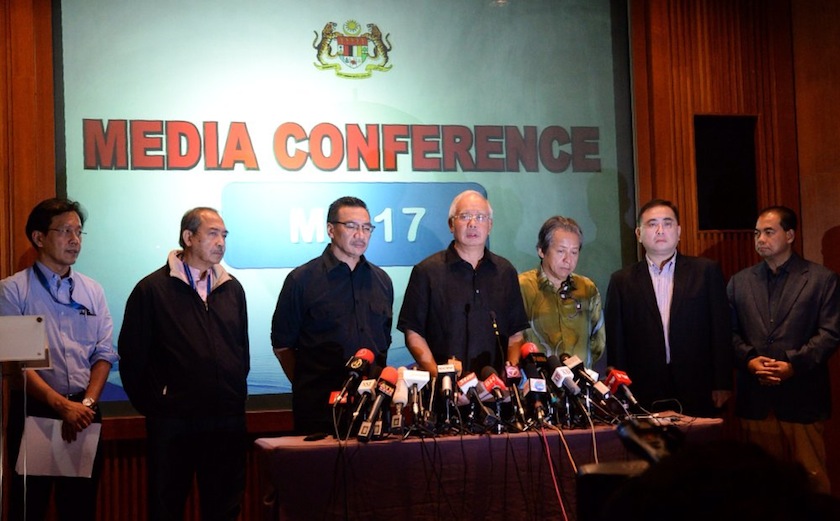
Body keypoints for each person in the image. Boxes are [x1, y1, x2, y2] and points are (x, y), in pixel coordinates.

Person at [118, 207, 249, 520]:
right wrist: (160, 405)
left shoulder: (232, 287)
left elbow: (240, 351)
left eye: (224, 235)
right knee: (167, 506)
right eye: (212, 234)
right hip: (173, 423)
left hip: (226, 420)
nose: (221, 242)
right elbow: (132, 356)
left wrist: (233, 394)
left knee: (225, 508)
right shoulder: (152, 289)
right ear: (188, 237)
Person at [0, 198, 118, 520]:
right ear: (39, 237)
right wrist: (61, 405)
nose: (74, 240)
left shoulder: (93, 290)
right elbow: (18, 365)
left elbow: (104, 353)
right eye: (65, 231)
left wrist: (86, 403)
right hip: (35, 411)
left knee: (80, 508)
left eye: (79, 232)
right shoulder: (13, 290)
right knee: (29, 508)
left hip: (84, 412)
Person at [727, 205, 840, 494]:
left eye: (768, 232)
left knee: (812, 482)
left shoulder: (821, 279)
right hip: (755, 399)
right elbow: (728, 334)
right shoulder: (739, 282)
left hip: (802, 396)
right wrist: (749, 360)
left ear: (790, 235)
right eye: (756, 233)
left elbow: (830, 334)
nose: (760, 239)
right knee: (758, 486)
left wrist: (792, 364)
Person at [271, 196, 393, 435]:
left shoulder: (382, 281)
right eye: (351, 226)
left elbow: (383, 341)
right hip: (319, 410)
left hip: (372, 407)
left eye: (366, 228)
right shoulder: (302, 280)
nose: (360, 235)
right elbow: (282, 345)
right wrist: (308, 386)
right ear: (330, 229)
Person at [605, 199, 731, 417]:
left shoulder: (705, 271)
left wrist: (723, 383)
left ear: (679, 231)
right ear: (639, 234)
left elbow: (721, 330)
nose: (660, 230)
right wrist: (620, 390)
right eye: (652, 224)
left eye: (667, 223)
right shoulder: (621, 281)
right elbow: (617, 343)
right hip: (642, 389)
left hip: (698, 386)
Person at [398, 190, 528, 376]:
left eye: (480, 217)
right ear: (451, 224)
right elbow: (413, 333)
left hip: (496, 387)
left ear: (490, 225)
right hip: (444, 388)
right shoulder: (426, 272)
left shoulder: (505, 272)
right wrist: (439, 376)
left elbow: (516, 333)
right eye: (465, 216)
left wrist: (510, 372)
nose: (473, 224)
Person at [519, 216, 605, 367]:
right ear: (541, 250)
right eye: (561, 251)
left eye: (574, 252)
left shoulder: (587, 289)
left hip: (581, 377)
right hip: (537, 378)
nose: (568, 259)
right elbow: (513, 342)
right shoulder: (522, 286)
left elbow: (598, 343)